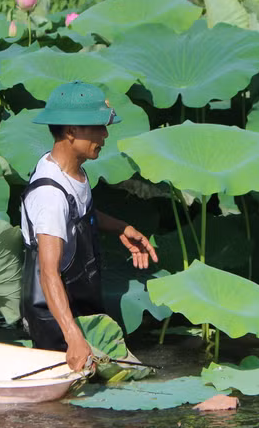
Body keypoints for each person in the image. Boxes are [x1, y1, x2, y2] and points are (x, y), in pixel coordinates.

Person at [20, 82, 158, 371]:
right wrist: (73, 337)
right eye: (97, 127)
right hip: (56, 319)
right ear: (71, 131)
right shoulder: (50, 196)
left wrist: (121, 228)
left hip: (81, 305)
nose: (105, 135)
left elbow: (80, 211)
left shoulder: (74, 173)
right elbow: (48, 274)